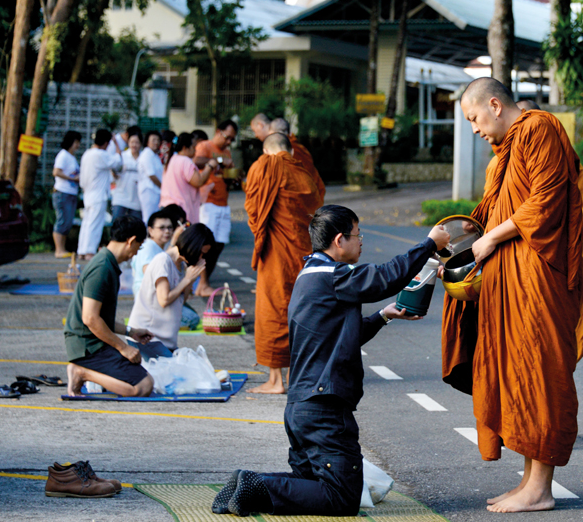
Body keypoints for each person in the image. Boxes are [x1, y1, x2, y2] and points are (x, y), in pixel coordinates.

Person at [211, 205, 450, 517]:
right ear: (339, 240)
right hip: (323, 408)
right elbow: (384, 279)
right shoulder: (332, 276)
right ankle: (260, 486)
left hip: (302, 407)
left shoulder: (309, 276)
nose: (361, 242)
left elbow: (340, 337)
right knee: (343, 496)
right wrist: (430, 243)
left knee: (310, 482)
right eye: (357, 235)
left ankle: (250, 484)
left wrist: (381, 316)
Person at [441, 78, 583, 513]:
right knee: (517, 375)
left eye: (474, 118)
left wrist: (492, 238)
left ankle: (540, 489)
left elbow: (545, 200)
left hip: (536, 279)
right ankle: (528, 482)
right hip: (508, 281)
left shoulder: (539, 129)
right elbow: (503, 204)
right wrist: (476, 227)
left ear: (496, 105)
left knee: (539, 373)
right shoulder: (505, 151)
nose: (475, 129)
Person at [504, 100, 583, 358]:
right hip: (521, 265)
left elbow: (579, 217)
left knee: (547, 345)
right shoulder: (503, 163)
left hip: (547, 265)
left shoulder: (557, 157)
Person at [243, 132, 323, 394]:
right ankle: (297, 376)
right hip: (304, 250)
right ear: (289, 149)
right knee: (302, 309)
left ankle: (275, 380)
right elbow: (317, 203)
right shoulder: (304, 172)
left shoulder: (266, 166)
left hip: (276, 253)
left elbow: (254, 210)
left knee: (275, 308)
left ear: (267, 150)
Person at [64, 216, 155, 397]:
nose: (137, 252)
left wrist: (131, 331)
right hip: (88, 346)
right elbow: (90, 318)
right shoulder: (102, 268)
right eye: (139, 246)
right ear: (130, 241)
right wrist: (123, 347)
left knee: (141, 374)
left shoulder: (108, 263)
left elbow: (101, 319)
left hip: (93, 342)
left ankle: (86, 371)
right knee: (143, 386)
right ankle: (81, 372)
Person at [127, 224, 213, 359]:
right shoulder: (163, 261)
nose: (201, 258)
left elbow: (180, 301)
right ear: (192, 246)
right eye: (201, 253)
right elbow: (164, 300)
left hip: (165, 340)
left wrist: (190, 280)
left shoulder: (181, 265)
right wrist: (187, 279)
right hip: (147, 338)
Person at [193, 119, 238, 297]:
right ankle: (202, 283)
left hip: (223, 202)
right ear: (218, 131)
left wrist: (232, 177)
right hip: (208, 202)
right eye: (227, 137)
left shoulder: (226, 151)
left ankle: (204, 283)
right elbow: (197, 161)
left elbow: (226, 170)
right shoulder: (205, 146)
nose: (229, 142)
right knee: (205, 244)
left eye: (232, 140)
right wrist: (219, 160)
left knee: (219, 244)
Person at [250, 113, 325, 201]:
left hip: (300, 197)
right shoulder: (294, 147)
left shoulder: (293, 148)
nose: (255, 135)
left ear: (260, 125)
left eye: (254, 131)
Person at [77, 129, 123, 260]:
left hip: (88, 193)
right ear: (106, 143)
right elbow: (118, 162)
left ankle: (82, 250)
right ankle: (90, 252)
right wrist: (117, 145)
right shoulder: (100, 155)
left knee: (87, 223)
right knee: (95, 224)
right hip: (98, 195)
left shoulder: (87, 153)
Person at [160, 132, 218, 225]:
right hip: (181, 211)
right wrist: (210, 166)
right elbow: (198, 181)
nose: (195, 151)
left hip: (168, 207)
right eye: (193, 147)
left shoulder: (172, 159)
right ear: (184, 148)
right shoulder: (185, 161)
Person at [51, 131, 82, 258]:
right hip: (62, 192)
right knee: (62, 220)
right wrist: (72, 178)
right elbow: (56, 172)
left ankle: (62, 249)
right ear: (70, 142)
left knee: (67, 222)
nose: (78, 145)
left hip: (70, 193)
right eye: (76, 142)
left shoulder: (72, 157)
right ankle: (59, 250)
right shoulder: (63, 155)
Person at [132, 211, 175, 296]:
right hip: (147, 298)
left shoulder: (160, 247)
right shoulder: (148, 247)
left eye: (169, 227)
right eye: (162, 228)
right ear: (150, 230)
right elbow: (151, 276)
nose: (167, 231)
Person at [112, 133, 142, 222]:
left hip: (137, 200)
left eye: (137, 142)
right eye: (132, 142)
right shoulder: (122, 156)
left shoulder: (143, 158)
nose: (134, 145)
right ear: (128, 143)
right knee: (117, 224)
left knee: (135, 226)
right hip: (121, 197)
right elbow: (113, 168)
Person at [138, 130, 164, 225]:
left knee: (154, 218)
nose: (156, 142)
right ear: (147, 142)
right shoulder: (146, 154)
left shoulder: (155, 155)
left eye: (158, 140)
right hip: (148, 191)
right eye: (153, 140)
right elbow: (151, 175)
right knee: (148, 218)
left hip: (155, 191)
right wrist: (163, 187)